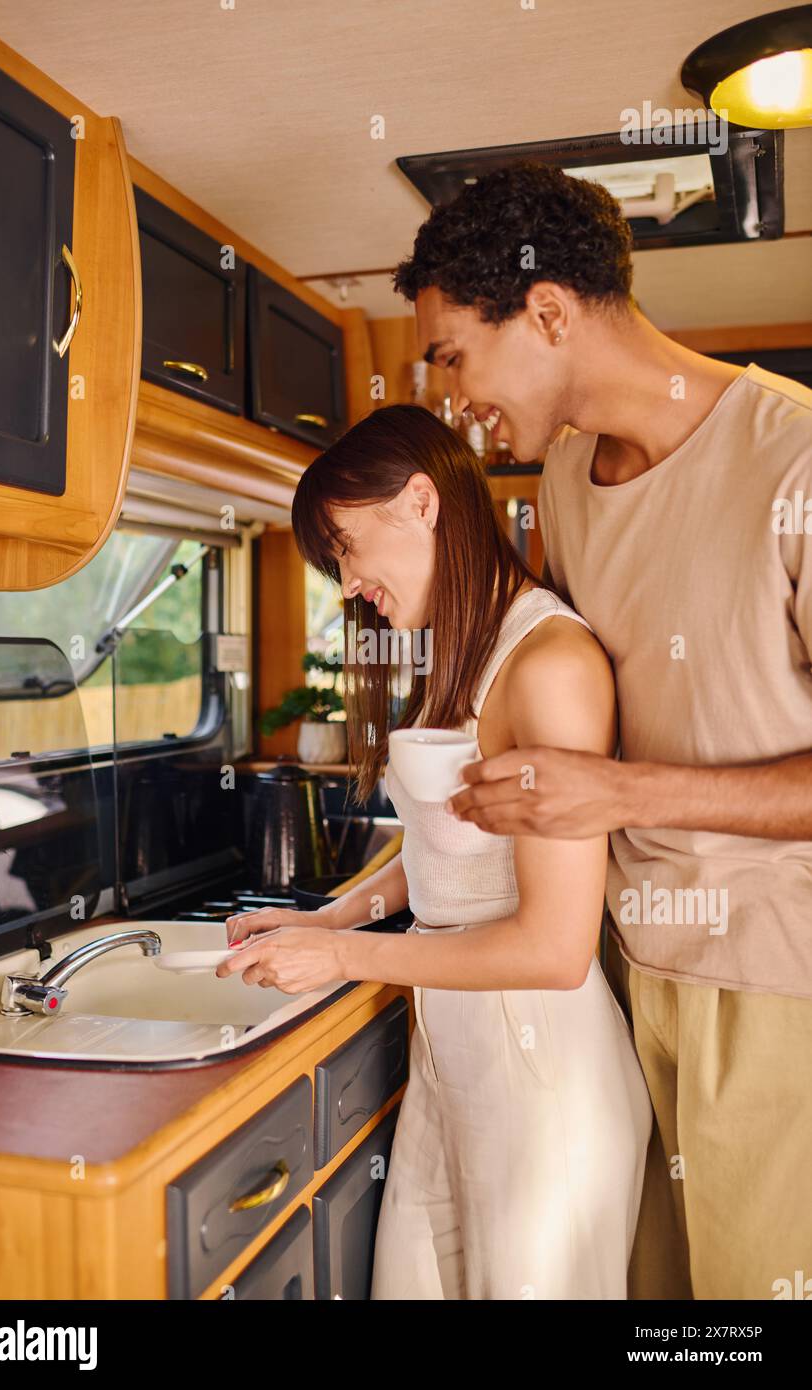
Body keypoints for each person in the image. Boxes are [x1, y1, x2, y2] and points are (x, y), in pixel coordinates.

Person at [389, 159, 812, 1300]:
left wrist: (620, 796)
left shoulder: (793, 458)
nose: (451, 395)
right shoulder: (566, 476)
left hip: (776, 990)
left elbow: (605, 778)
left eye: (452, 357)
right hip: (630, 972)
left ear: (544, 311)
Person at [217, 402, 652, 1300]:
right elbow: (445, 852)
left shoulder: (548, 668)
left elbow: (555, 948)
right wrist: (326, 917)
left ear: (420, 501)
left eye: (343, 546)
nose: (345, 584)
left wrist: (340, 956)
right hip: (451, 1066)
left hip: (544, 1086)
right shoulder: (461, 655)